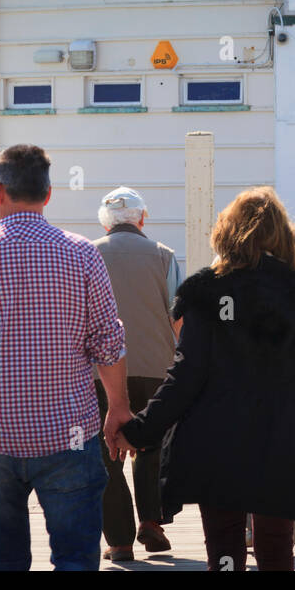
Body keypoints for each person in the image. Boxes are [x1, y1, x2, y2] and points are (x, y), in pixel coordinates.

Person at [112, 186, 295, 571]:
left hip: (216, 445)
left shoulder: (205, 292)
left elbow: (185, 376)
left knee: (224, 551)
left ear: (226, 234)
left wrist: (139, 431)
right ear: (283, 235)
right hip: (283, 444)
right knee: (277, 550)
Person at [0, 144, 128, 570]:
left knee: (5, 557)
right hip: (70, 432)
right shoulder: (83, 254)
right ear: (48, 194)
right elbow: (108, 342)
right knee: (75, 557)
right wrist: (118, 408)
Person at [93, 186, 182, 563]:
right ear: (142, 219)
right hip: (155, 368)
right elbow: (179, 316)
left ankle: (119, 541)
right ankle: (150, 520)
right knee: (150, 447)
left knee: (106, 453)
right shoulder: (164, 255)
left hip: (98, 371)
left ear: (105, 221)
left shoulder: (89, 253)